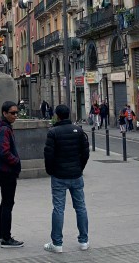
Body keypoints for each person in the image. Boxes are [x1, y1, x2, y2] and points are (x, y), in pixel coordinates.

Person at [43, 104, 90, 253]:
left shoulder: (53, 132)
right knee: (81, 207)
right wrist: (79, 168)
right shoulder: (78, 131)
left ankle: (57, 243)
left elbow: (48, 155)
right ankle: (84, 241)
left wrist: (51, 171)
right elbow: (85, 152)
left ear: (57, 115)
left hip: (59, 176)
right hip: (76, 175)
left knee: (58, 209)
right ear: (68, 114)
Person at [0, 101, 24, 249]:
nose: (15, 115)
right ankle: (6, 238)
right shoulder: (4, 129)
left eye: (16, 112)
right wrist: (16, 161)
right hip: (7, 171)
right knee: (8, 204)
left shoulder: (3, 127)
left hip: (3, 170)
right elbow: (4, 151)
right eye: (12, 113)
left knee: (5, 201)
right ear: (4, 113)